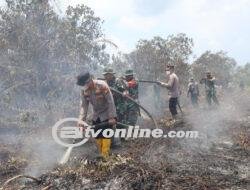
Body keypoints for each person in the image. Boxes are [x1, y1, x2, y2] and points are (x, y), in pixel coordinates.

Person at [77, 71, 117, 160]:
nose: (85, 87)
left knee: (105, 136)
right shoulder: (84, 91)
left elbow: (110, 102)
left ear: (90, 80)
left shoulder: (102, 85)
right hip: (96, 115)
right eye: (83, 85)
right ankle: (101, 155)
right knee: (98, 137)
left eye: (85, 84)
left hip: (107, 114)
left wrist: (112, 117)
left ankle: (105, 158)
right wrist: (81, 120)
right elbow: (84, 106)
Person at [102, 67, 127, 146]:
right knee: (109, 123)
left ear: (111, 75)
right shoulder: (105, 83)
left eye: (107, 75)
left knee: (120, 122)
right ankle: (111, 141)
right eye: (105, 75)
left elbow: (125, 89)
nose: (105, 76)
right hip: (110, 106)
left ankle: (122, 139)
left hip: (120, 105)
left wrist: (125, 93)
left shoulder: (118, 81)